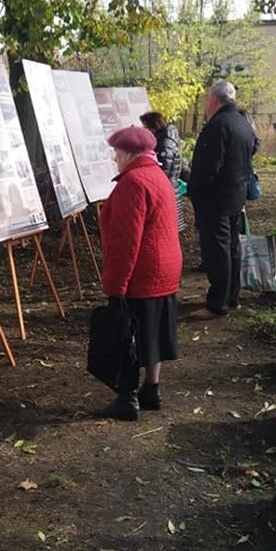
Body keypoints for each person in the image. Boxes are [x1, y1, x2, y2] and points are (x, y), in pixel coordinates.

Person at [96, 126, 182, 421]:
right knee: (153, 332)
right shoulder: (158, 176)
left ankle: (127, 397)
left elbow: (126, 240)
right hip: (166, 269)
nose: (115, 159)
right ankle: (152, 389)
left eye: (117, 153)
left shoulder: (132, 183)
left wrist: (117, 285)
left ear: (130, 154)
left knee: (128, 334)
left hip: (143, 272)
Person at [187, 81, 257, 320]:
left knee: (218, 250)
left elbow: (207, 167)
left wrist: (195, 191)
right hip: (236, 194)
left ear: (214, 100)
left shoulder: (218, 126)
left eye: (207, 99)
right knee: (232, 247)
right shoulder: (242, 123)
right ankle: (231, 297)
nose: (205, 104)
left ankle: (217, 303)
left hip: (215, 198)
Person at [139, 111, 186, 234]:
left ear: (152, 127)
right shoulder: (164, 141)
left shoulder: (165, 145)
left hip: (167, 196)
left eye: (145, 127)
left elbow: (162, 173)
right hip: (170, 193)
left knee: (166, 235)